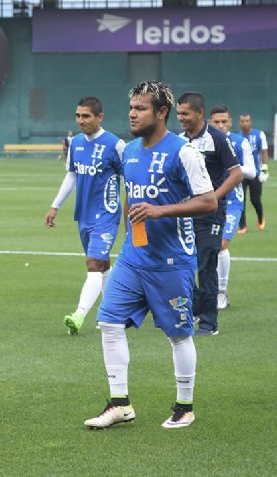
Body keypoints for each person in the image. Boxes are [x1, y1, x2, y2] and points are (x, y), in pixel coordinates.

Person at [84, 80, 216, 431]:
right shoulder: (127, 150)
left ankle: (184, 406)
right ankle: (119, 403)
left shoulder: (183, 152)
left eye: (141, 108)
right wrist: (131, 230)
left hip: (171, 260)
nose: (132, 113)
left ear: (162, 113)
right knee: (109, 322)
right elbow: (131, 195)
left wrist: (160, 211)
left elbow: (208, 201)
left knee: (178, 334)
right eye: (131, 107)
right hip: (133, 257)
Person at [45, 97, 124, 335]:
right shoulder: (76, 143)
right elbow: (72, 176)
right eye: (78, 116)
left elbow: (130, 176)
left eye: (86, 116)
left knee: (92, 265)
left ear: (100, 117)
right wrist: (55, 205)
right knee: (103, 264)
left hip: (107, 215)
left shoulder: (115, 145)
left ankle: (79, 315)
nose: (81, 120)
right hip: (84, 215)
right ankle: (114, 312)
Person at [177, 92, 241, 336]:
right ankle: (194, 308)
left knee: (206, 264)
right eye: (179, 113)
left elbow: (235, 173)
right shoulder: (179, 140)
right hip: (184, 212)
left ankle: (208, 323)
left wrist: (213, 197)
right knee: (182, 263)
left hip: (210, 214)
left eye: (185, 113)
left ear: (199, 113)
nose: (181, 118)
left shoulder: (218, 138)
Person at [208, 106, 256, 310]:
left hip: (232, 202)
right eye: (216, 121)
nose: (220, 125)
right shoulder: (203, 141)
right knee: (200, 249)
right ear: (209, 121)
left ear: (230, 123)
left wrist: (230, 163)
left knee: (221, 245)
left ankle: (221, 292)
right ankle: (202, 293)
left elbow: (252, 172)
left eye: (224, 121)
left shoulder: (239, 142)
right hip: (206, 200)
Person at [237, 114, 270, 232]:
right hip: (242, 173)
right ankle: (242, 226)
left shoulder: (258, 134)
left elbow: (264, 152)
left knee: (255, 200)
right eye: (242, 121)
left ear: (250, 122)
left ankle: (261, 219)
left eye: (247, 121)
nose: (244, 123)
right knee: (241, 200)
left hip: (255, 172)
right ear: (239, 122)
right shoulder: (237, 137)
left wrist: (264, 169)